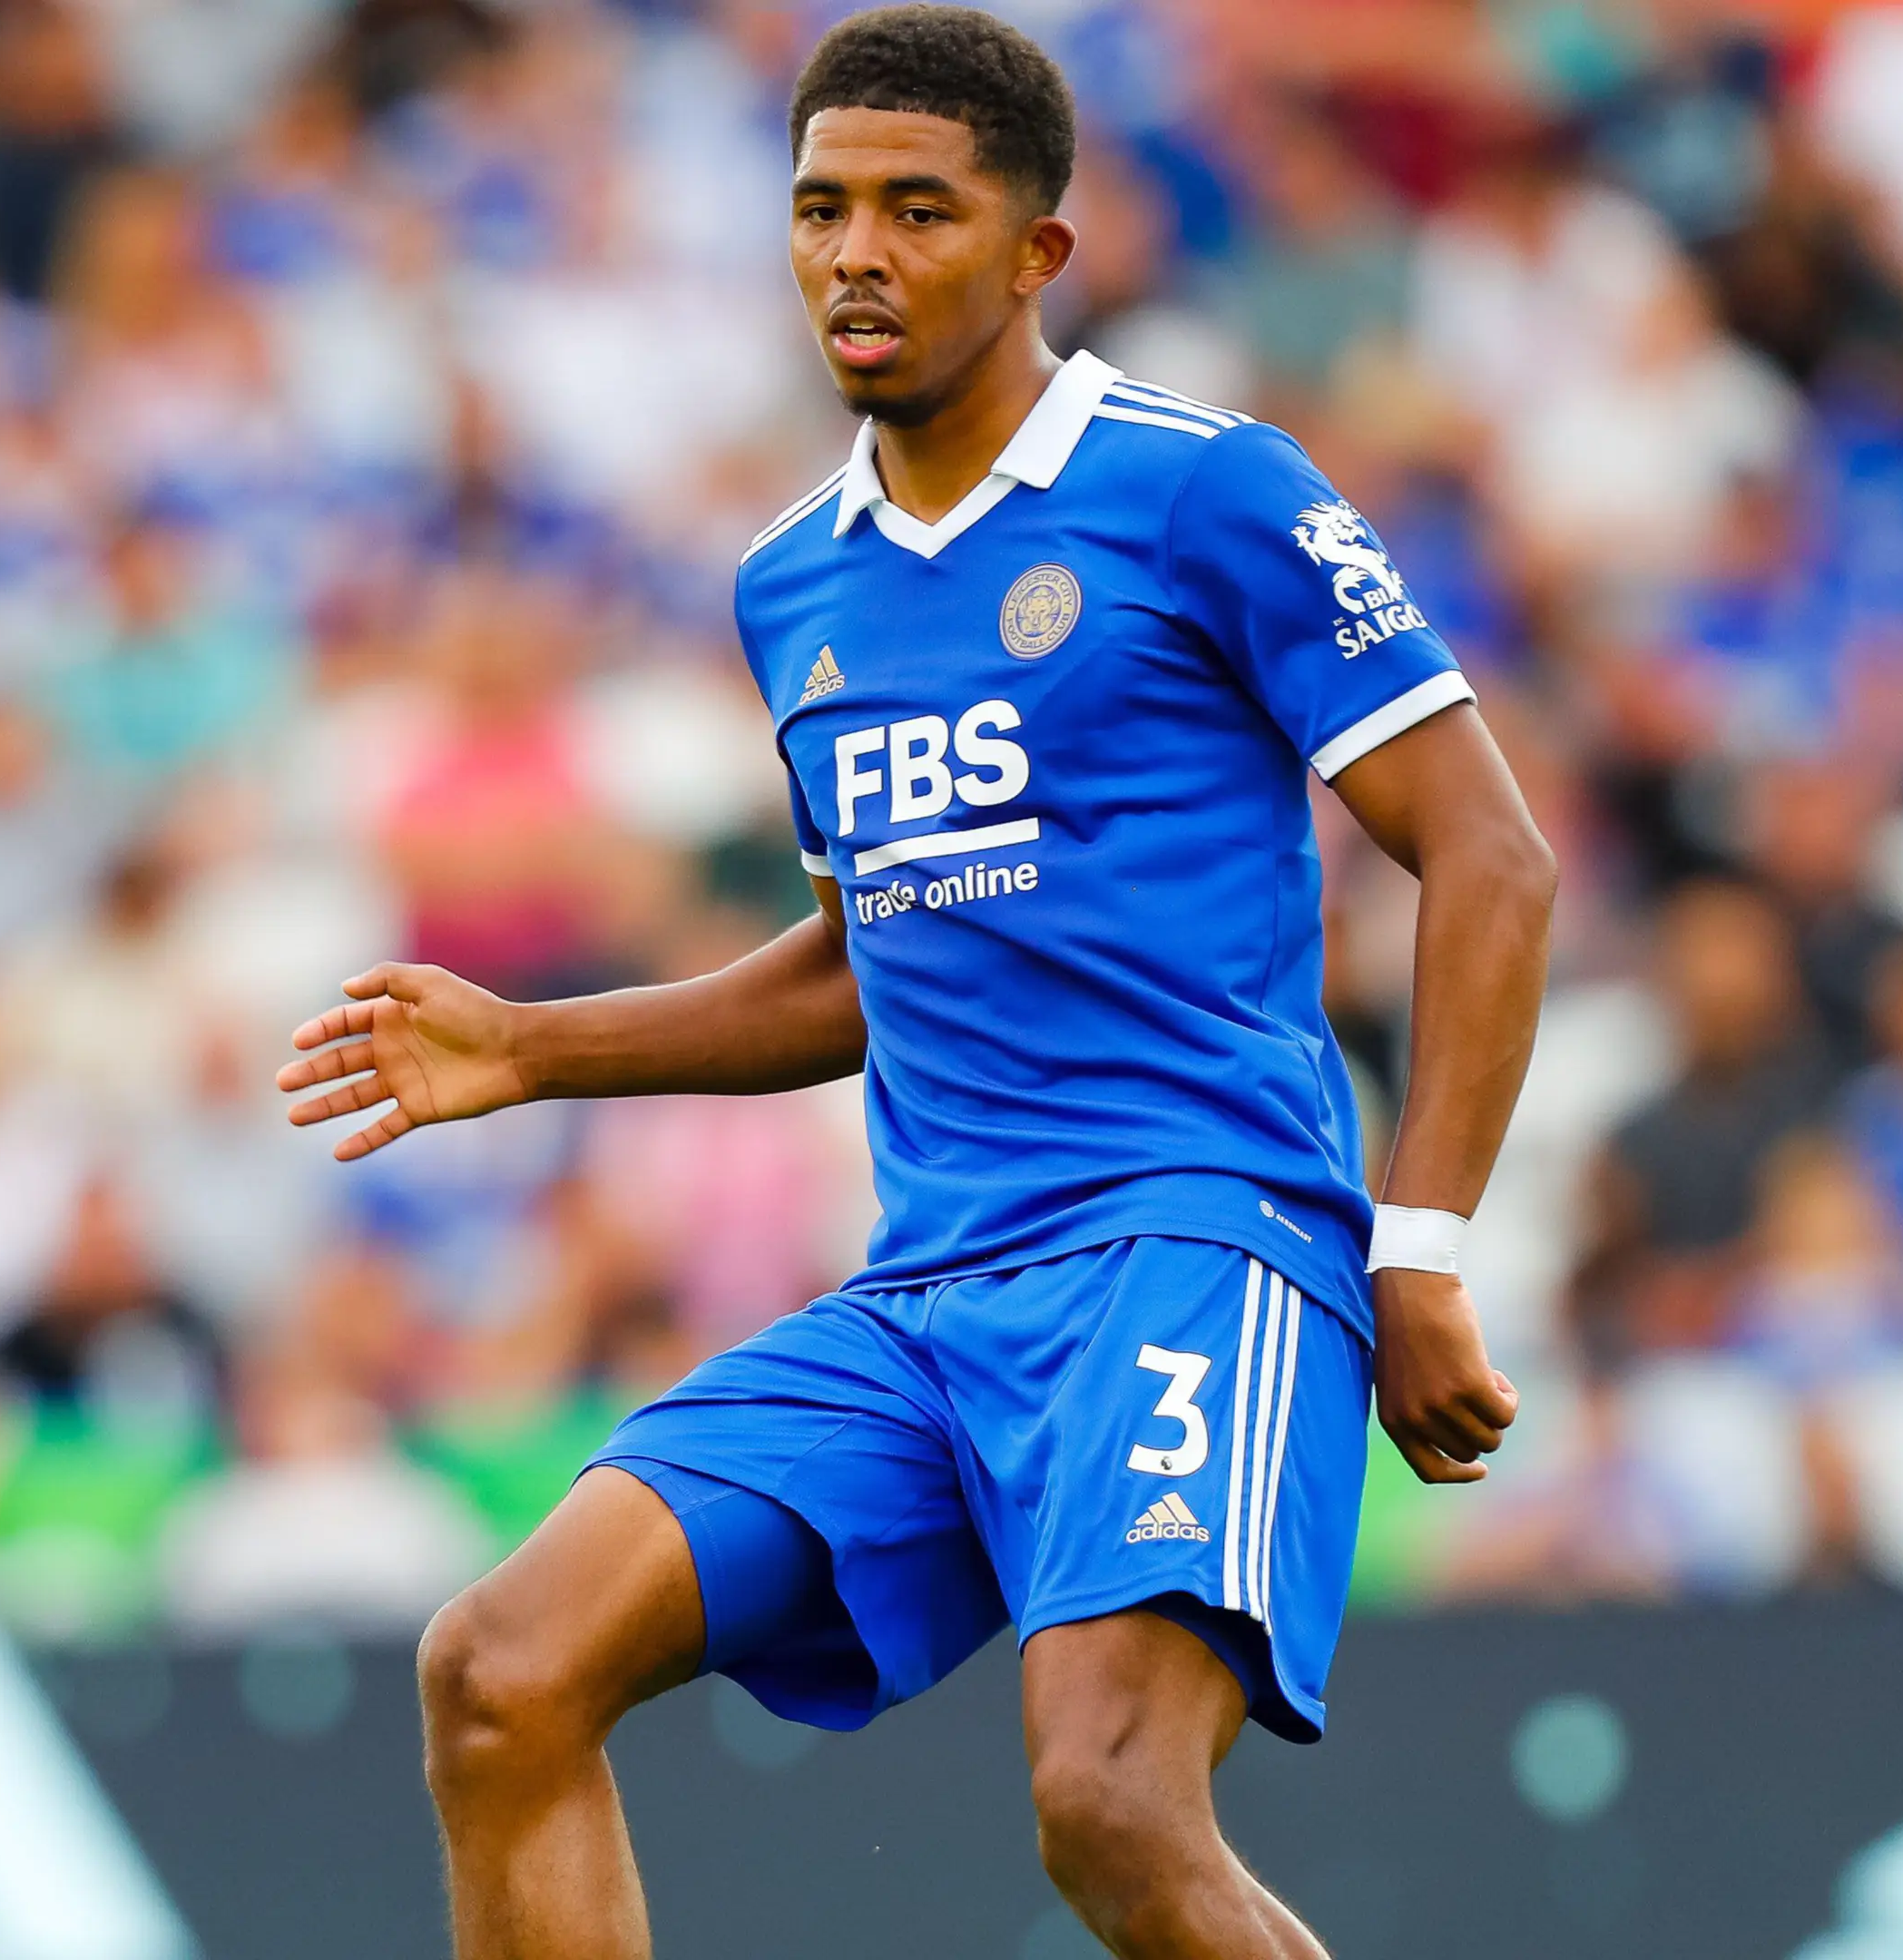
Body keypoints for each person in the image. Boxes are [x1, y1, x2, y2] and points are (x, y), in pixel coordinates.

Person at [275, 11, 1558, 1957]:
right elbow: (865, 971)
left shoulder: (1205, 492)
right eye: (820, 209)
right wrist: (533, 1048)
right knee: (501, 1670)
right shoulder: (797, 581)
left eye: (916, 210)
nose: (855, 253)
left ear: (1038, 250)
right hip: (931, 1294)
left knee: (1114, 1805)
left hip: (1188, 1240)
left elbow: (1490, 854)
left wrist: (1425, 1241)